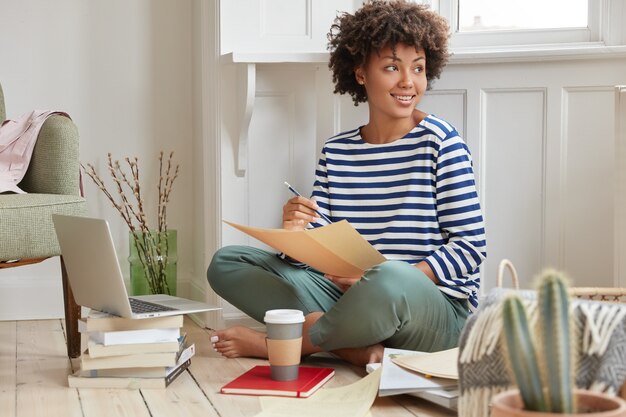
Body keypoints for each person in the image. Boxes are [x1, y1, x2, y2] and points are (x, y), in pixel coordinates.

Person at [207, 0, 486, 366]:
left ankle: (287, 345)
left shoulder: (441, 142)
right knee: (228, 262)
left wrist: (384, 280)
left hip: (430, 310)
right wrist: (295, 234)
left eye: (418, 68)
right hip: (350, 302)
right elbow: (316, 255)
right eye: (391, 67)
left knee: (388, 278)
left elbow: (470, 246)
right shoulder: (337, 151)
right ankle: (359, 350)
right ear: (360, 73)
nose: (408, 82)